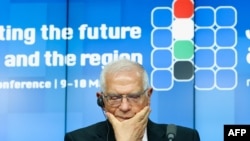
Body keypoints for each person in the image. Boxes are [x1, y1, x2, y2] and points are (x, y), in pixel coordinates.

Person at [64, 59, 200, 141]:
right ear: (101, 101)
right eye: (115, 98)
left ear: (149, 96)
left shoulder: (183, 138)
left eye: (134, 97)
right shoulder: (78, 139)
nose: (124, 107)